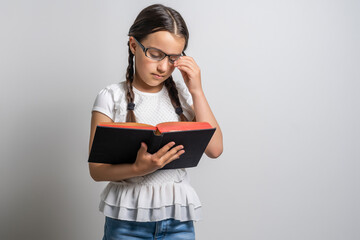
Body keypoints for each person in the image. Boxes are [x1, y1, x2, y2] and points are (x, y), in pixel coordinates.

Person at [88, 4, 223, 239]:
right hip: (127, 222)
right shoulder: (111, 97)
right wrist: (139, 169)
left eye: (173, 58)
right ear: (133, 46)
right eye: (155, 54)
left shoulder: (183, 96)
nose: (163, 66)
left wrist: (197, 91)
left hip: (177, 220)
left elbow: (215, 149)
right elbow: (96, 170)